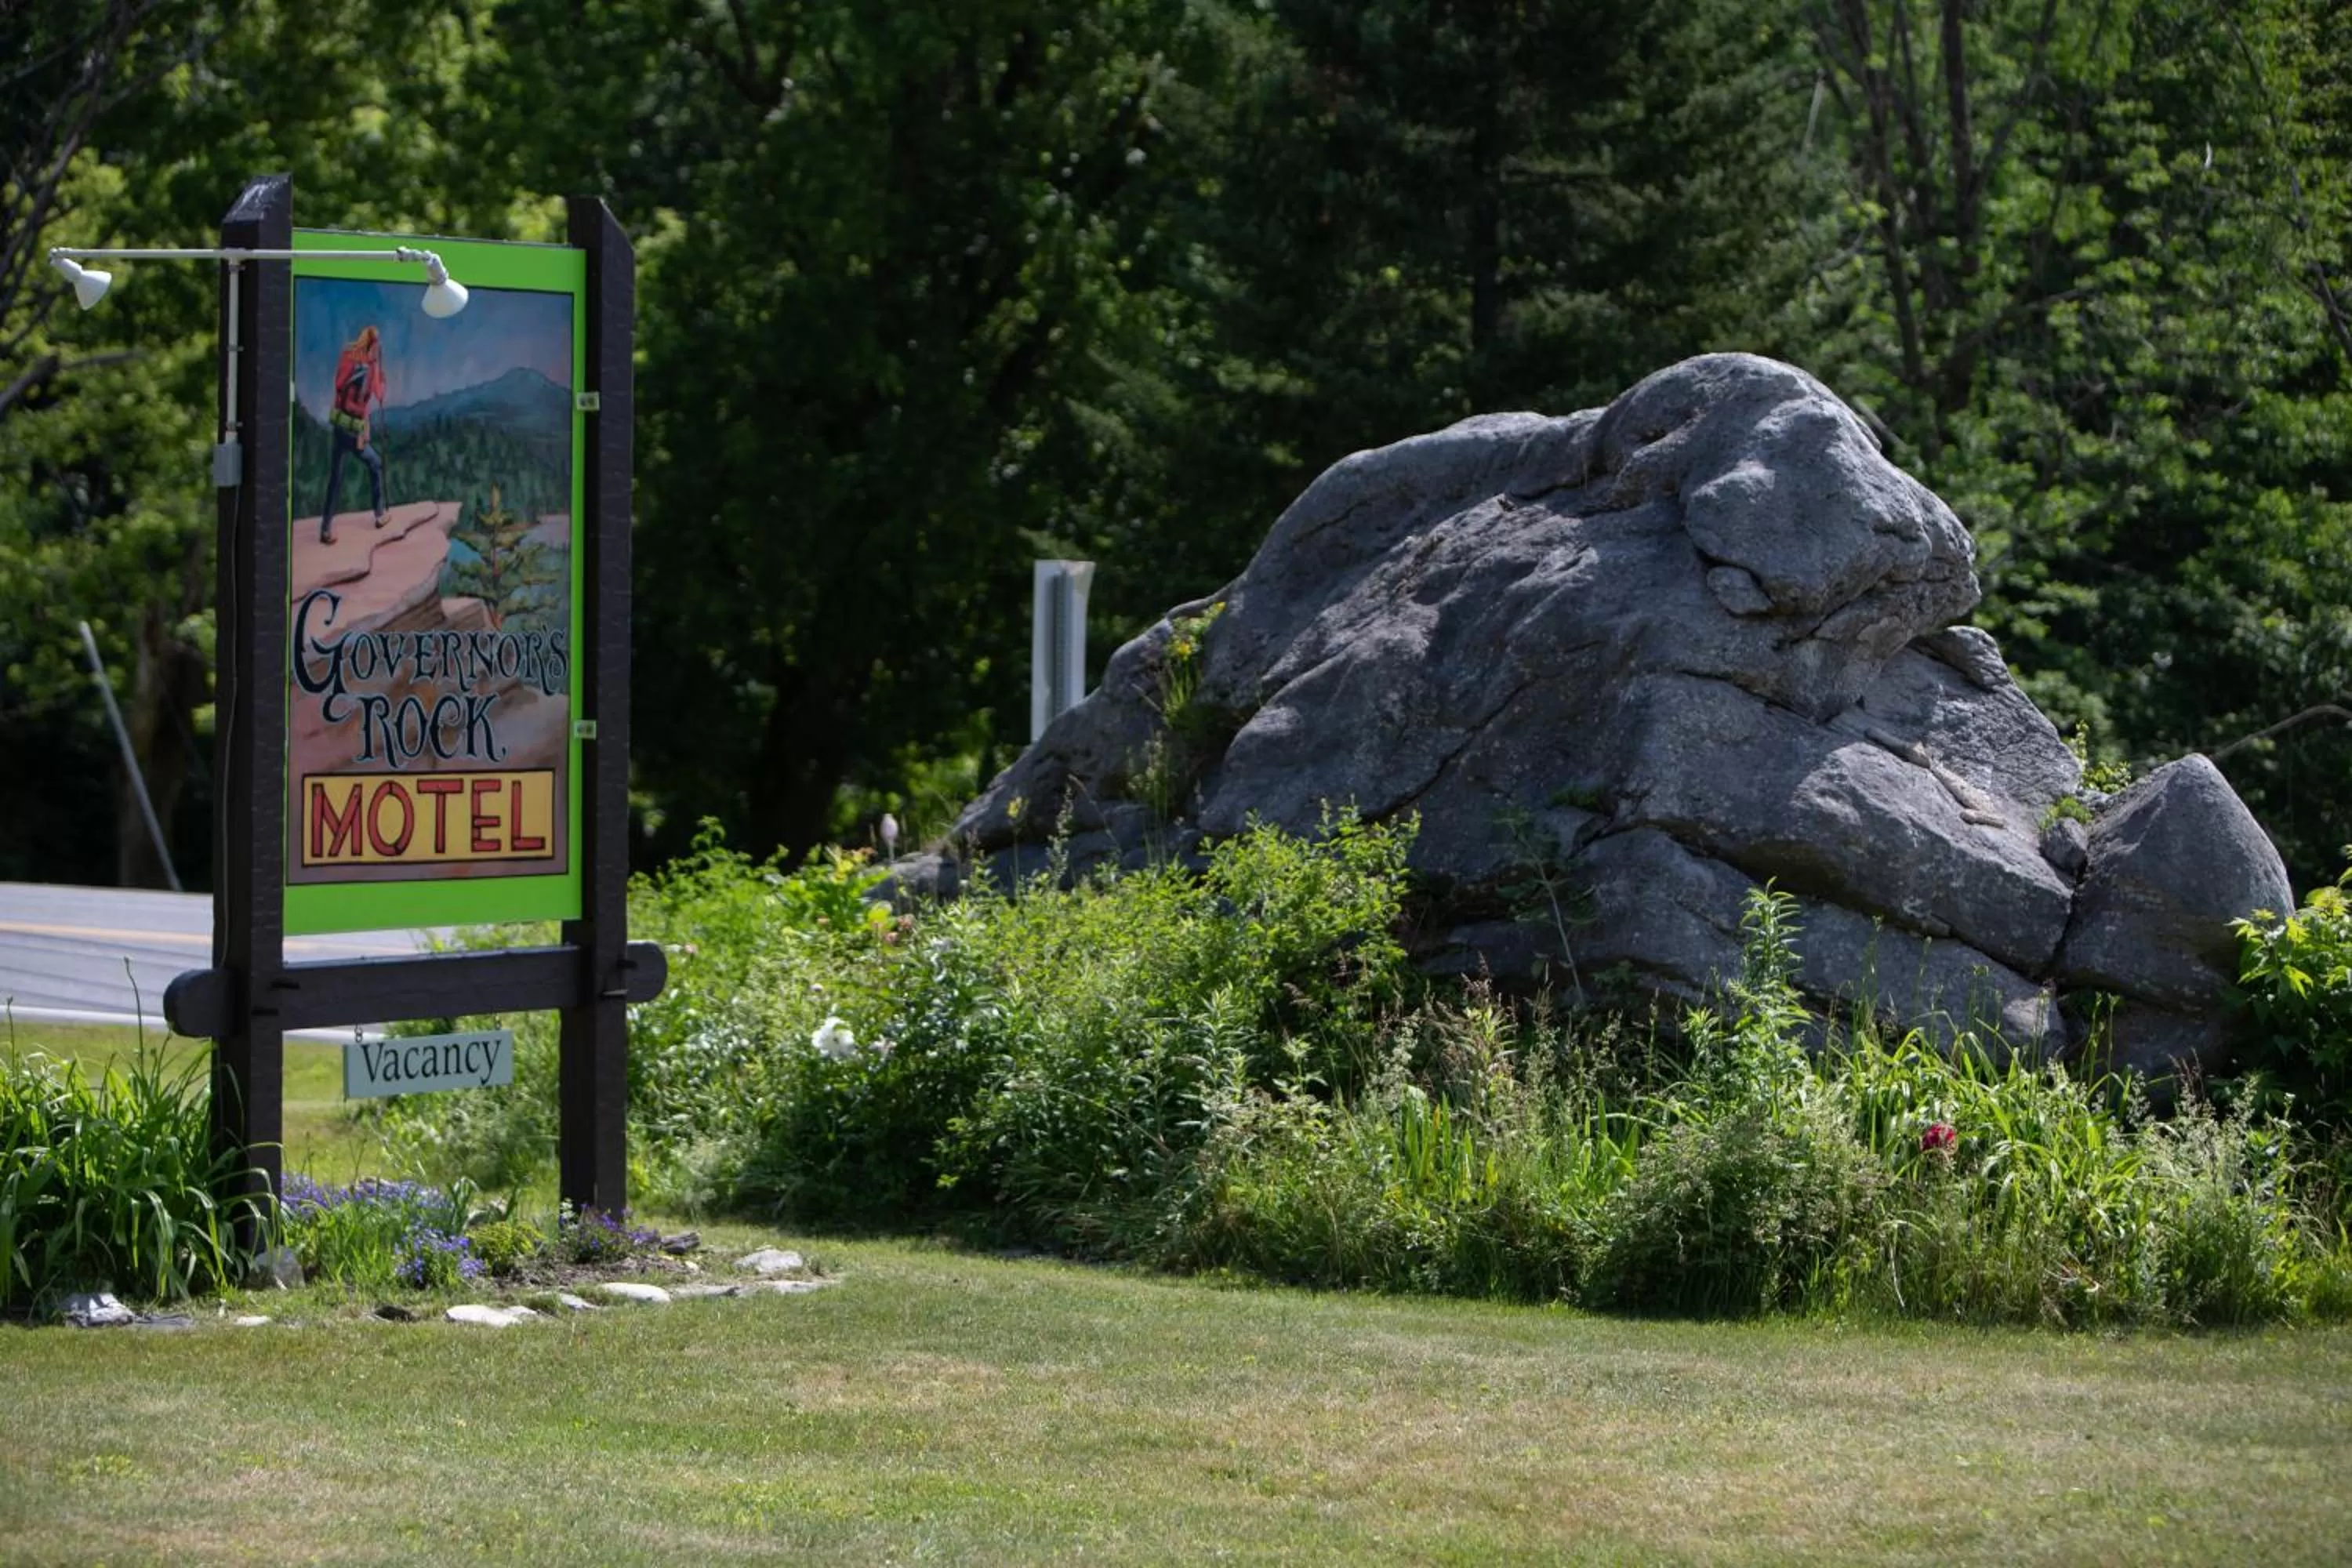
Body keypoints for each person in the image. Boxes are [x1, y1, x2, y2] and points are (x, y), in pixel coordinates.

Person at [318, 325, 388, 544]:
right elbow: (378, 393)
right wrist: (376, 366)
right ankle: (379, 515)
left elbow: (339, 385)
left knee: (336, 478)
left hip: (341, 425)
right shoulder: (366, 368)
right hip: (352, 428)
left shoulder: (349, 357)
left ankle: (326, 529)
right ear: (373, 344)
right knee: (375, 463)